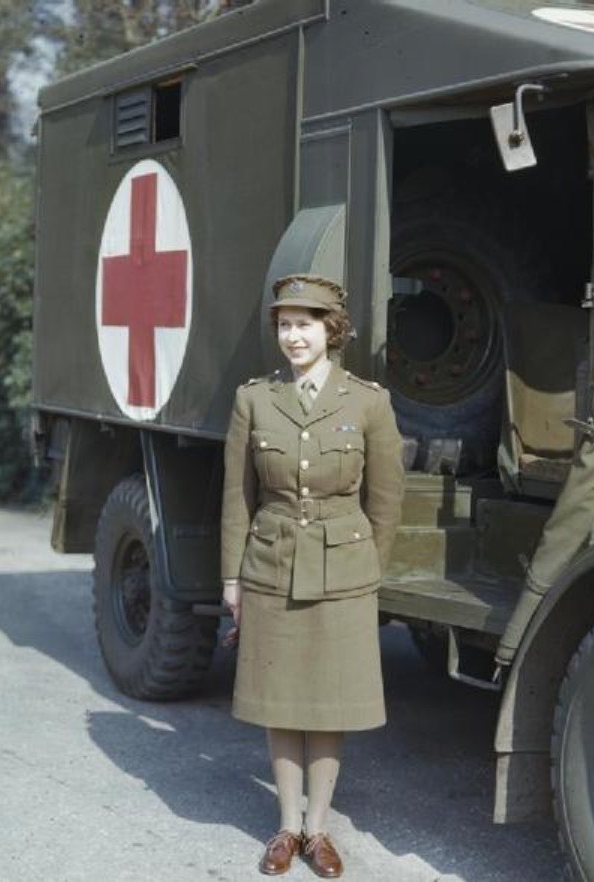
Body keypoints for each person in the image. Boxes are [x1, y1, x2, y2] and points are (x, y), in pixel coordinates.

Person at [220, 274, 405, 878]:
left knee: (329, 703)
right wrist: (231, 580)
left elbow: (386, 500)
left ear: (332, 330)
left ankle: (318, 829)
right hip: (271, 563)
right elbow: (237, 498)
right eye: (284, 325)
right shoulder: (254, 399)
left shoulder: (368, 402)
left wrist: (366, 569)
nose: (293, 336)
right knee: (280, 699)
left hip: (343, 568)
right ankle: (287, 827)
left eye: (304, 325)